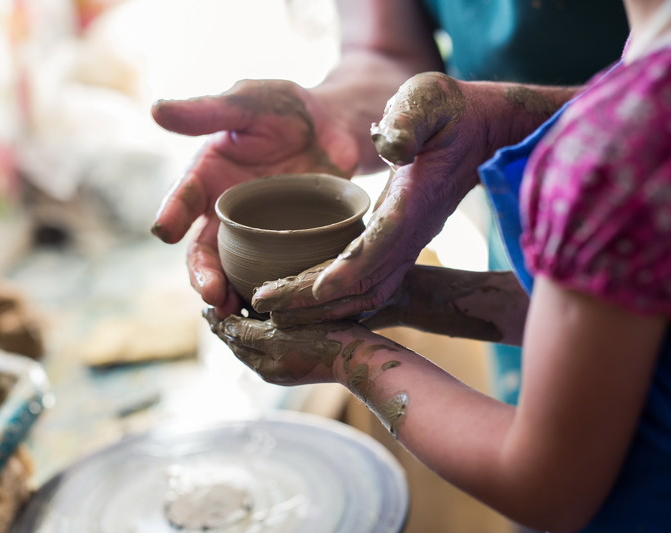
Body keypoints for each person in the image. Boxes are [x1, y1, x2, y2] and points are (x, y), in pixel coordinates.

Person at [204, 0, 671, 530]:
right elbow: (623, 321)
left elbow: (548, 485)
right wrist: (412, 296)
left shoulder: (615, 147)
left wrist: (346, 356)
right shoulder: (643, 79)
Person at [150, 0, 628, 412]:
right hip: (531, 262)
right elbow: (386, 51)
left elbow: (544, 481)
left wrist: (506, 123)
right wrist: (335, 116)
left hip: (635, 221)